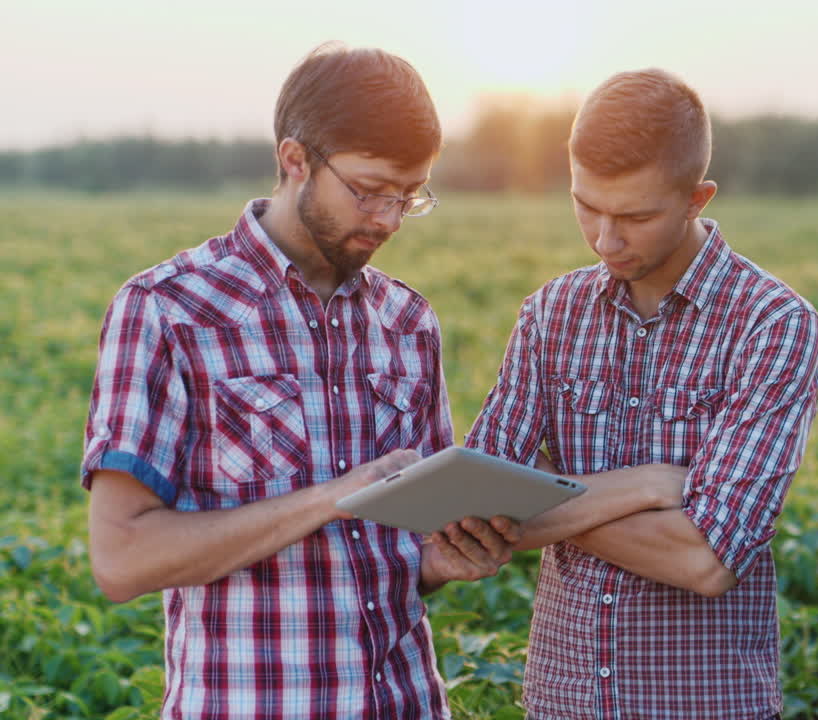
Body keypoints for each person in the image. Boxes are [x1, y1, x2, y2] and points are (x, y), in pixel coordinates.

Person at [82, 43, 519, 719]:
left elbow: (401, 551)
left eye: (411, 196)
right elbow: (122, 558)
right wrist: (333, 499)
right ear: (295, 161)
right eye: (370, 190)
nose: (389, 219)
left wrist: (440, 562)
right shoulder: (170, 311)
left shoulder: (408, 322)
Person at [465, 68, 818, 719]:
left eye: (636, 215)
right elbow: (481, 504)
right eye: (586, 205)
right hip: (560, 702)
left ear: (698, 198)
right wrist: (645, 486)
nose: (606, 240)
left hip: (704, 706)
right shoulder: (552, 313)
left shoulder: (771, 323)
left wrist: (543, 495)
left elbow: (706, 559)